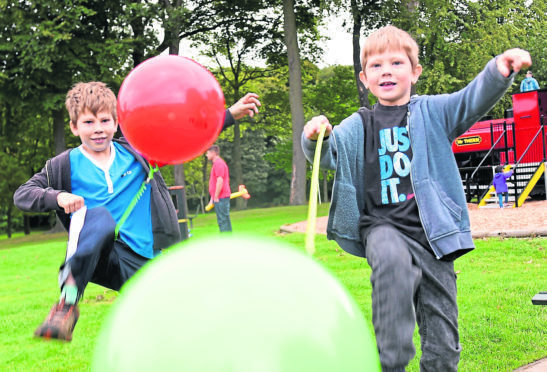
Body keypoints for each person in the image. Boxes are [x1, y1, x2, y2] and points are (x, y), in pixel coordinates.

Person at [301, 25, 531, 372]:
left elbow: (470, 99)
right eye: (377, 66)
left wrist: (499, 70)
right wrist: (315, 135)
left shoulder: (433, 113)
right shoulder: (358, 124)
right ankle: (391, 360)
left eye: (396, 62)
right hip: (382, 228)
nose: (387, 71)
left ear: (415, 71)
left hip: (432, 238)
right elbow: (330, 154)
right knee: (390, 259)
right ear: (364, 78)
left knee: (443, 347)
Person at [13, 81, 260, 341]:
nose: (98, 129)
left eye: (105, 121)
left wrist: (230, 114)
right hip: (98, 256)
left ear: (116, 122)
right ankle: (67, 304)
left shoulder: (137, 154)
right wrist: (58, 196)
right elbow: (23, 194)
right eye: (88, 123)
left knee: (181, 327)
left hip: (143, 259)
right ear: (74, 127)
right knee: (98, 216)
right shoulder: (63, 165)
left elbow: (184, 140)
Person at [206, 145, 232, 232]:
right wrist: (212, 199)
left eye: (208, 153)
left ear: (213, 153)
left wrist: (216, 196)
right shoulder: (217, 164)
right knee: (223, 220)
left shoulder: (219, 163)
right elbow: (214, 184)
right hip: (219, 197)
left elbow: (220, 180)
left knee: (223, 221)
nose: (206, 155)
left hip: (221, 197)